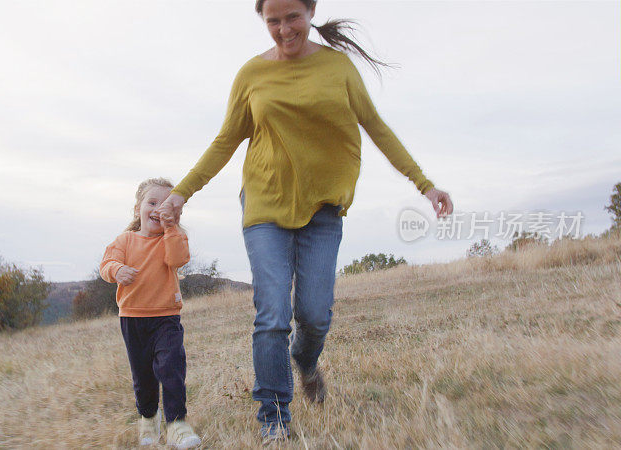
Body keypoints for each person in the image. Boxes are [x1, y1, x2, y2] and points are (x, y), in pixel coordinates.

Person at [157, 0, 454, 443]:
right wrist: (183, 190)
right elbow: (225, 140)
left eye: (292, 17)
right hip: (265, 204)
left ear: (311, 10)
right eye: (272, 20)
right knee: (272, 312)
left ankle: (306, 362)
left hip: (323, 209)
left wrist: (424, 184)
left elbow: (375, 126)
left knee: (313, 315)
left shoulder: (339, 68)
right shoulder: (251, 75)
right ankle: (274, 416)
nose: (283, 29)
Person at [99, 177, 201, 448]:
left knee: (171, 369)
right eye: (152, 202)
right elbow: (106, 264)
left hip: (166, 317)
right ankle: (149, 417)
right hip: (132, 319)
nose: (158, 209)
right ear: (138, 209)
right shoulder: (125, 240)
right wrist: (116, 270)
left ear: (175, 211)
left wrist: (171, 227)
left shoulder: (173, 238)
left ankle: (177, 424)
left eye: (165, 205)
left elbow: (177, 259)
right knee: (143, 377)